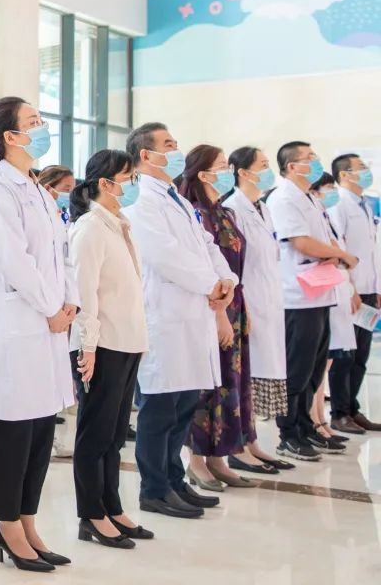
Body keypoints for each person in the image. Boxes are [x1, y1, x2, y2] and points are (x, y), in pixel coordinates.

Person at [0, 97, 76, 572]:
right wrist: (52, 307)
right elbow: (15, 259)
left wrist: (70, 302)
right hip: (18, 324)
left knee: (40, 430)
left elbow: (61, 252)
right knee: (13, 431)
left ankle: (28, 521)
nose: (41, 128)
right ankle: (7, 525)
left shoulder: (36, 188)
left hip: (49, 323)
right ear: (10, 136)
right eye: (32, 122)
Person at [123, 122, 235, 519]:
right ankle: (153, 489)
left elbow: (207, 245)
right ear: (145, 155)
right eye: (168, 145)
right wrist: (210, 284)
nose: (176, 150)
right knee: (161, 410)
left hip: (192, 313)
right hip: (165, 317)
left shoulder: (178, 200)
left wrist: (225, 280)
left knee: (185, 404)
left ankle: (174, 480)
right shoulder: (141, 199)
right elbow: (164, 254)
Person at [68, 149, 152, 549]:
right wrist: (87, 347)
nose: (134, 185)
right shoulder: (89, 228)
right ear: (105, 183)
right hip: (101, 345)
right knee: (95, 434)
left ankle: (112, 506)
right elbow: (84, 294)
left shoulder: (119, 225)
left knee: (115, 434)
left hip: (127, 341)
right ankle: (91, 514)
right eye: (129, 177)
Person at [175, 146, 261, 491]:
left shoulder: (224, 212)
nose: (228, 172)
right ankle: (197, 461)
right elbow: (205, 270)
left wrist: (243, 308)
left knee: (230, 382)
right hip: (212, 309)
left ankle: (219, 458)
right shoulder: (197, 215)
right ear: (203, 174)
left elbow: (235, 268)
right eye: (222, 167)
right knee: (208, 384)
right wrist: (221, 314)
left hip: (234, 306)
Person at [266, 141, 358, 462]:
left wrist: (334, 253)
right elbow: (302, 242)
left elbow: (324, 238)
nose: (316, 161)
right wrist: (341, 255)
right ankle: (288, 434)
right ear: (292, 166)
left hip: (319, 293)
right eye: (310, 158)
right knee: (296, 369)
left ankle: (306, 426)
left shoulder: (308, 197)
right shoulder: (284, 198)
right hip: (297, 297)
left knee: (314, 370)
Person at [224, 147, 295, 472]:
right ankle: (238, 446)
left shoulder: (263, 208)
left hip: (270, 303)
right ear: (243, 172)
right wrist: (244, 306)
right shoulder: (232, 209)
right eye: (263, 165)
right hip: (247, 304)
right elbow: (234, 265)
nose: (269, 170)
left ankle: (252, 442)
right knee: (242, 380)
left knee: (255, 381)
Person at [328, 154, 381, 433]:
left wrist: (377, 288)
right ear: (345, 175)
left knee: (361, 356)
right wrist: (351, 289)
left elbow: (372, 252)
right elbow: (339, 251)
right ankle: (339, 413)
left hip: (369, 290)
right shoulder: (338, 204)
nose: (367, 172)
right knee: (345, 354)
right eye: (361, 168)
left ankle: (351, 408)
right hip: (351, 291)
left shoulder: (365, 205)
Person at [37, 165, 78, 459]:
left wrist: (71, 300)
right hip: (42, 309)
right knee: (38, 383)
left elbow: (66, 262)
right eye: (65, 189)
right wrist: (53, 308)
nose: (69, 195)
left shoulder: (58, 215)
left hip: (60, 308)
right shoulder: (36, 212)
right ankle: (41, 441)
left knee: (52, 381)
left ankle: (48, 439)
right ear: (49, 186)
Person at [310, 173, 353, 451]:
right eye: (327, 187)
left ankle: (320, 420)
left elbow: (337, 251)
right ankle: (315, 421)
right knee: (316, 368)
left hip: (333, 292)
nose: (332, 192)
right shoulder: (306, 209)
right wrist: (339, 256)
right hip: (313, 294)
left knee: (323, 366)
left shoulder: (325, 215)